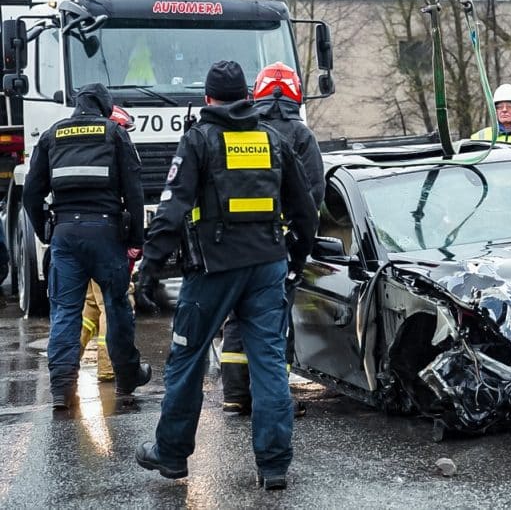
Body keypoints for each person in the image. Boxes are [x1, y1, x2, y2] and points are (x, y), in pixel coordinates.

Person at [134, 60, 318, 490]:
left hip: (214, 269)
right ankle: (273, 466)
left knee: (187, 358)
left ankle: (173, 455)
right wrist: (294, 260)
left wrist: (150, 266)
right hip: (267, 266)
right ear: (246, 96)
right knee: (270, 365)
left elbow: (172, 207)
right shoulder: (272, 139)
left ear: (209, 99)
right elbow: (305, 210)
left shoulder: (199, 140)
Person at [22, 84, 151, 410]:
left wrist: (46, 232)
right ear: (105, 107)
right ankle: (125, 383)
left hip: (65, 235)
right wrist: (136, 240)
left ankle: (62, 391)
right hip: (107, 234)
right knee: (117, 307)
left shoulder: (52, 136)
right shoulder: (114, 133)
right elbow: (134, 192)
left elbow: (30, 194)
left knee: (65, 312)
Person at [221, 62, 324, 417]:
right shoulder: (301, 136)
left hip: (235, 246)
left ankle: (235, 394)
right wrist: (299, 254)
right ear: (295, 94)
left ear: (257, 94)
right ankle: (274, 400)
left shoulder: (245, 130)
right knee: (274, 323)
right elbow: (312, 197)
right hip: (277, 246)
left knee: (236, 318)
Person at [78, 105, 140, 383]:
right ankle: (109, 366)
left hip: (85, 240)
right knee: (114, 305)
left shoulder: (90, 158)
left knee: (92, 305)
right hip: (108, 243)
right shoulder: (113, 159)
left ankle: (67, 362)